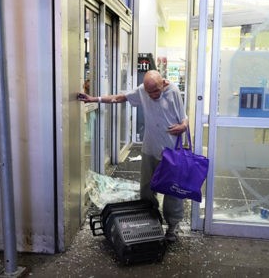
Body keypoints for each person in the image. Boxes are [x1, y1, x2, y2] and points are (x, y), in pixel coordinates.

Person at [77, 70, 188, 242]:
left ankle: (173, 226)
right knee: (146, 187)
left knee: (172, 190)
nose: (152, 95)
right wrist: (94, 99)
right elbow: (120, 98)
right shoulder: (142, 91)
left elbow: (184, 118)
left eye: (156, 91)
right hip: (150, 148)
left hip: (171, 150)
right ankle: (150, 217)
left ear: (163, 84)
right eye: (149, 92)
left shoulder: (172, 91)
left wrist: (184, 126)